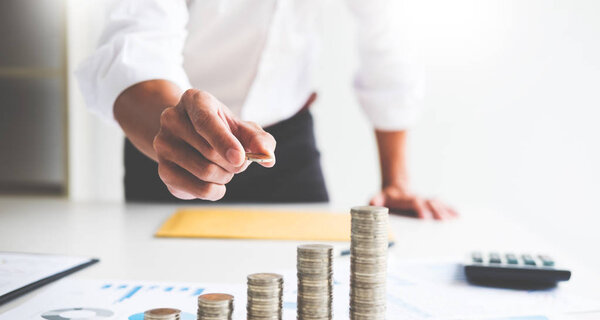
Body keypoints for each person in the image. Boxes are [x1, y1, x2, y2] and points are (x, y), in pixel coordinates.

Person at [77, 0, 457, 220]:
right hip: (169, 140)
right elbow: (137, 43)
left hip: (287, 146)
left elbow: (388, 41)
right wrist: (173, 128)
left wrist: (396, 182)